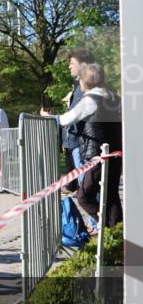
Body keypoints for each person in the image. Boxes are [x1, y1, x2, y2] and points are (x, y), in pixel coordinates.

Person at [45, 63, 122, 227]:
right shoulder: (114, 97)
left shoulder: (91, 99)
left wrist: (50, 118)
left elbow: (67, 119)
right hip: (115, 152)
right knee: (111, 193)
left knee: (84, 196)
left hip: (98, 153)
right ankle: (116, 232)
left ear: (86, 81)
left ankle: (107, 227)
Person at [62, 49, 94, 190]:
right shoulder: (80, 87)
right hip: (79, 144)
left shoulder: (85, 88)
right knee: (86, 192)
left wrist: (54, 118)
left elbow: (73, 116)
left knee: (87, 193)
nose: (69, 66)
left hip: (81, 145)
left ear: (83, 66)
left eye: (72, 63)